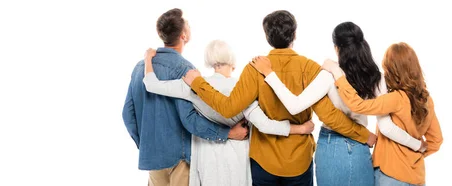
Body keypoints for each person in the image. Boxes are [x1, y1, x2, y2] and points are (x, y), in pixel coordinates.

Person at [182, 10, 377, 186]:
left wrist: (198, 82)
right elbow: (330, 116)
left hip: (263, 160)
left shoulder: (255, 68)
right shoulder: (308, 68)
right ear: (294, 35)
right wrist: (363, 134)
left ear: (267, 37)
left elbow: (227, 108)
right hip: (298, 162)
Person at [249, 22, 426, 186]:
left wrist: (269, 74)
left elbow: (294, 106)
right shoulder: (376, 77)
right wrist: (417, 145)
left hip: (331, 147)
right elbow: (386, 127)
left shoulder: (329, 74)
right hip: (360, 148)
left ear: (336, 48)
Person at [142, 40, 314, 186]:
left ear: (209, 61)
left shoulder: (192, 85)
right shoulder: (242, 89)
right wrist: (301, 129)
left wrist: (148, 59)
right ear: (233, 63)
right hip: (237, 158)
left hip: (206, 155)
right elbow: (265, 124)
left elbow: (151, 85)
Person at [121, 8, 249, 186]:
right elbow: (190, 120)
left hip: (153, 159)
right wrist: (228, 133)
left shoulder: (140, 68)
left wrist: (146, 145)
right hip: (180, 159)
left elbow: (128, 114)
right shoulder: (185, 70)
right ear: (184, 36)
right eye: (187, 25)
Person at [322, 42, 443, 185]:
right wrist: (416, 153)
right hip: (417, 177)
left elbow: (357, 105)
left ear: (391, 69)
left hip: (390, 174)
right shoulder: (427, 100)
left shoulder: (395, 99)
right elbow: (436, 140)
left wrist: (338, 75)